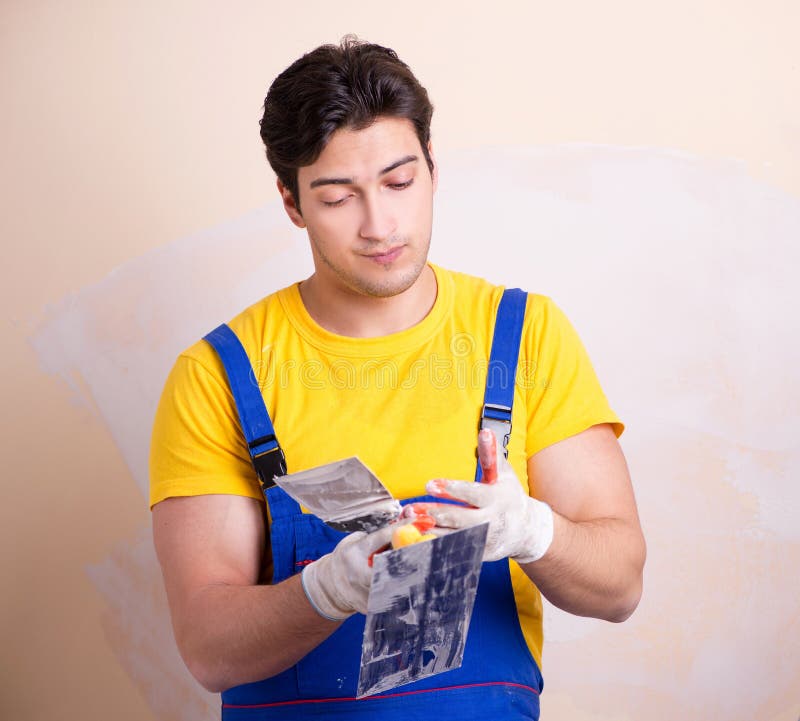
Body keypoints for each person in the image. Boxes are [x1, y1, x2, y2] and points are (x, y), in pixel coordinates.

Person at [150, 37, 646, 720]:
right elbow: (209, 648)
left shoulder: (525, 335)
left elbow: (620, 586)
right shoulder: (219, 375)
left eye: (399, 182)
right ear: (291, 203)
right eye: (336, 197)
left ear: (433, 170)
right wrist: (326, 590)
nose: (380, 225)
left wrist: (533, 531)